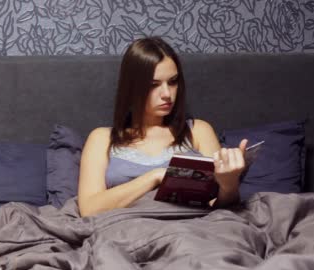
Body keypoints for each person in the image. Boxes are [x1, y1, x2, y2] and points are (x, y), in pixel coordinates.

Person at [78, 37, 247, 217]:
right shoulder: (102, 138)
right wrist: (155, 176)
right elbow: (89, 210)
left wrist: (229, 184)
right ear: (132, 88)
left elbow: (216, 208)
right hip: (128, 230)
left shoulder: (198, 131)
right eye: (154, 85)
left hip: (193, 228)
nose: (167, 94)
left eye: (173, 82)